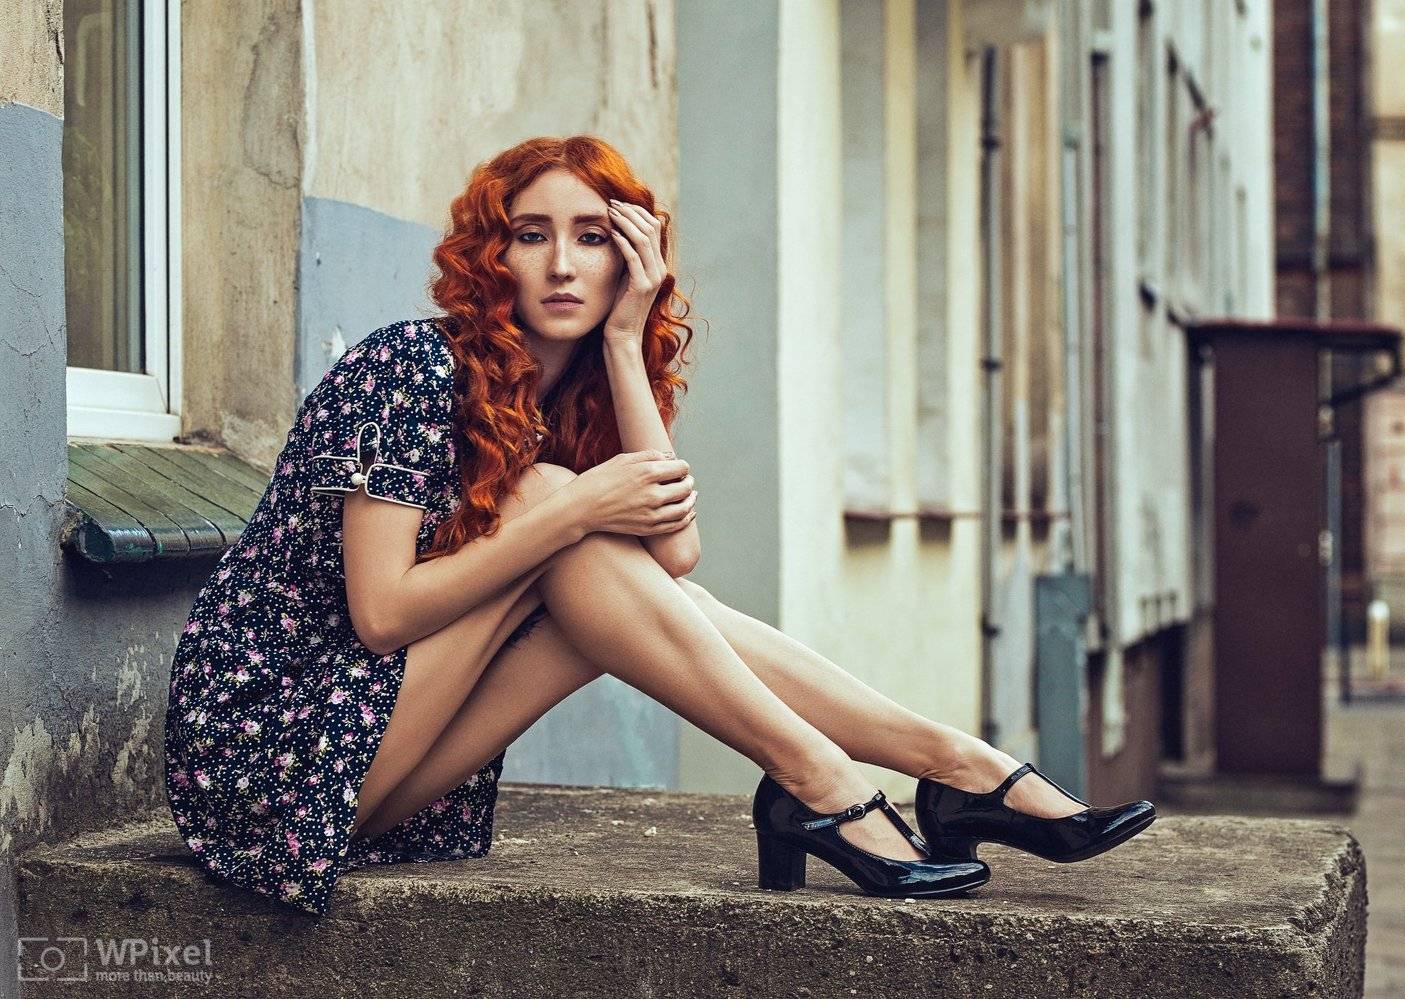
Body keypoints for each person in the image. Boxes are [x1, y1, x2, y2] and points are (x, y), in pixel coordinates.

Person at [164, 135, 1153, 917]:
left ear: (628, 257)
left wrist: (628, 342)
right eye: (530, 233)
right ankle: (830, 775)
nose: (561, 264)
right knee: (557, 499)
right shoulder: (407, 370)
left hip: (382, 767)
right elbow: (380, 618)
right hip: (275, 761)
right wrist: (577, 504)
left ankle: (946, 763)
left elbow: (672, 563)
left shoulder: (579, 387)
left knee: (595, 547)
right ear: (489, 253)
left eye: (593, 236)